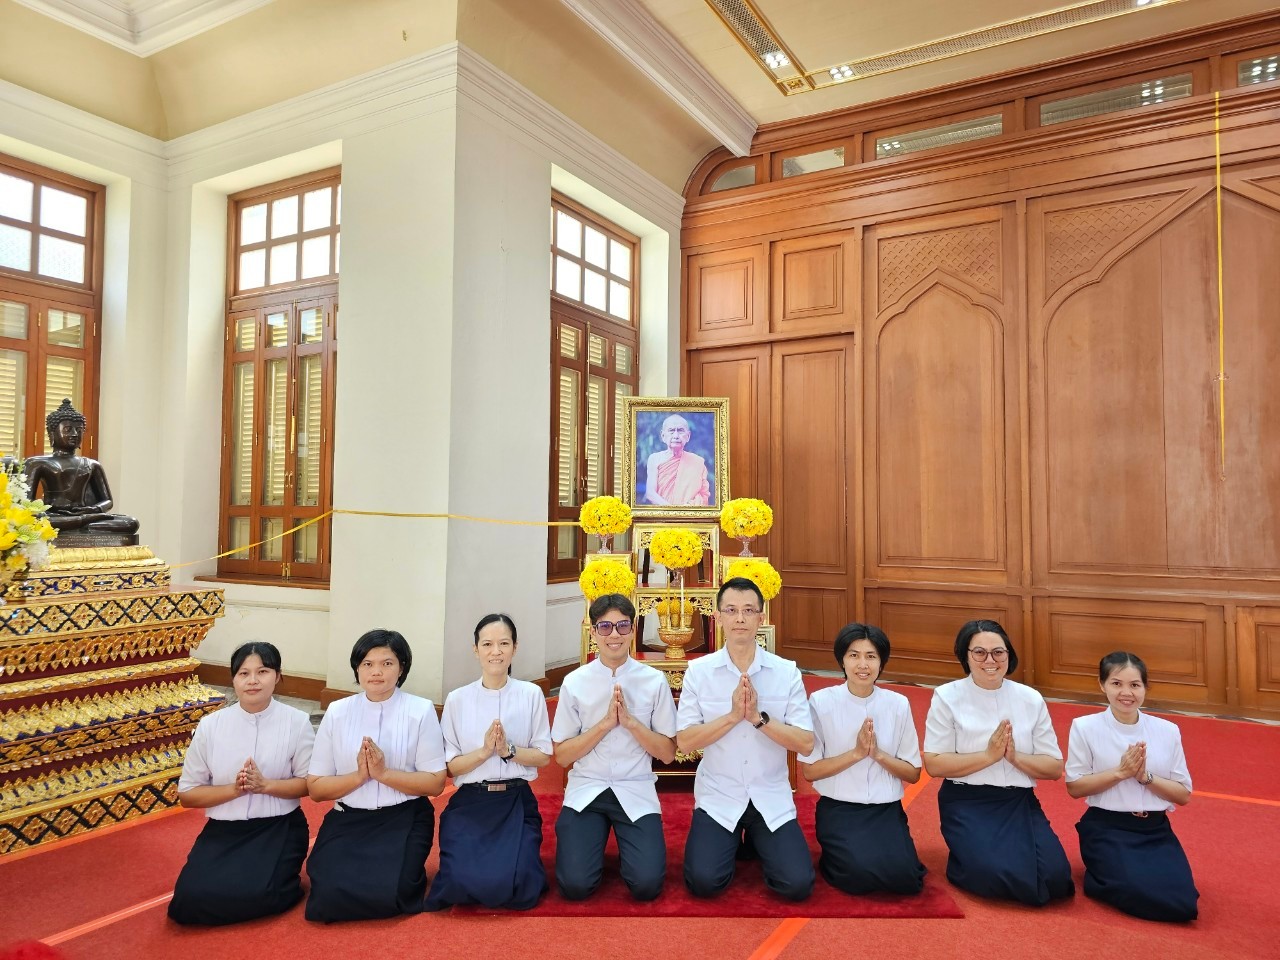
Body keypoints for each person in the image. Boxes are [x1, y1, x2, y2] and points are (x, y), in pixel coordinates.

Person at [676, 577, 815, 901]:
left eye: (749, 610)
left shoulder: (786, 672)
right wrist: (731, 716)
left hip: (770, 794)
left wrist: (757, 719)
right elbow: (684, 741)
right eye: (732, 610)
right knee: (703, 883)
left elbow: (805, 743)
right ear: (718, 616)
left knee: (797, 886)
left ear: (761, 618)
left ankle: (756, 838)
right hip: (719, 794)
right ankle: (736, 839)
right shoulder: (700, 671)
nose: (740, 618)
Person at [922, 619, 1073, 906]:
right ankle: (964, 857)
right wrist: (989, 756)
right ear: (965, 656)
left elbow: (1053, 767)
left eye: (998, 652)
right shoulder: (947, 696)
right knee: (998, 876)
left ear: (1009, 654)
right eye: (979, 652)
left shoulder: (1030, 698)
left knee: (1056, 879)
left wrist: (1014, 758)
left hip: (1018, 802)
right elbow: (935, 764)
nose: (990, 660)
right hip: (967, 800)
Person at [168, 641, 315, 925]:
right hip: (225, 829)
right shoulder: (211, 726)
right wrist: (233, 791)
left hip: (279, 825)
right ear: (233, 678)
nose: (253, 681)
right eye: (244, 673)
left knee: (266, 894)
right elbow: (188, 794)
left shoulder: (297, 722)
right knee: (188, 902)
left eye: (262, 671)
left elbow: (308, 784)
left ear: (278, 676)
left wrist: (266, 786)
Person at [305, 629, 447, 922]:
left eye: (387, 663)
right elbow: (316, 788)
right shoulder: (338, 712)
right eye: (367, 664)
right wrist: (359, 777)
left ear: (402, 668)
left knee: (395, 893)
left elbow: (435, 782)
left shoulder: (420, 711)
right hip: (349, 817)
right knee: (326, 898)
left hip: (403, 817)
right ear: (357, 668)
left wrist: (383, 774)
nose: (377, 672)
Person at [552, 594, 677, 902]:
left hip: (635, 787)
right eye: (605, 627)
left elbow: (668, 752)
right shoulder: (574, 682)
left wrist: (632, 723)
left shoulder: (653, 680)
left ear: (633, 629)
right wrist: (605, 725)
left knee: (647, 886)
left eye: (622, 626)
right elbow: (562, 756)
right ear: (593, 632)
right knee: (575, 887)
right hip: (587, 789)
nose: (614, 635)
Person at [426, 614, 552, 911]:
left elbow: (544, 756)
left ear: (514, 648)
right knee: (457, 881)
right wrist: (484, 752)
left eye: (504, 644)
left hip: (515, 800)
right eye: (488, 644)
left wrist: (508, 750)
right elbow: (450, 767)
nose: (496, 651)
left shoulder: (531, 694)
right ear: (476, 650)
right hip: (471, 802)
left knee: (521, 885)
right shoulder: (457, 699)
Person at [1065, 651, 1198, 922]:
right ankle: (1098, 875)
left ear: (1145, 687)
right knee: (1141, 893)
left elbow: (1183, 794)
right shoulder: (1085, 727)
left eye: (1135, 685)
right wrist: (1120, 772)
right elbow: (1076, 787)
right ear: (1102, 685)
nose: (1126, 692)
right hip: (1107, 827)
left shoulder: (1167, 730)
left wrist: (1143, 777)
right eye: (1116, 684)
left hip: (1155, 830)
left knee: (1183, 903)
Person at [799, 623, 925, 895]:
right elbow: (810, 771)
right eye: (853, 655)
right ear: (842, 660)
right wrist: (856, 754)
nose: (862, 664)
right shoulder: (820, 702)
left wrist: (877, 754)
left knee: (906, 879)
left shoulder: (897, 704)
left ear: (882, 662)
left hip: (885, 809)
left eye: (871, 656)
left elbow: (913, 773)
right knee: (857, 876)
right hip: (839, 807)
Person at [24, 399, 139, 543]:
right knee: (33, 521)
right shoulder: (36, 463)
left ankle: (79, 524)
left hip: (87, 515)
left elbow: (107, 501)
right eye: (68, 429)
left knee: (130, 523)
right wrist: (43, 514)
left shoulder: (92, 464)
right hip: (54, 516)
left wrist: (94, 510)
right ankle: (79, 523)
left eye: (79, 430)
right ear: (52, 433)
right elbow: (25, 504)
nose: (74, 434)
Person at [643, 414, 711, 506]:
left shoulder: (697, 462)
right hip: (661, 516)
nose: (676, 436)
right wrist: (672, 511)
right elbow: (651, 494)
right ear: (663, 436)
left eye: (680, 431)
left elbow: (703, 496)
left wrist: (685, 510)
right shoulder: (654, 459)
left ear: (688, 436)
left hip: (689, 516)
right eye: (671, 431)